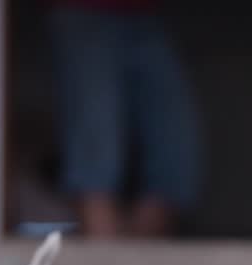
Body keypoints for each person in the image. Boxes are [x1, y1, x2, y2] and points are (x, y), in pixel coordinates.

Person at [49, 0, 201, 238]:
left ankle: (134, 249)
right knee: (95, 129)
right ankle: (102, 245)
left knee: (175, 143)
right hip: (83, 8)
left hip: (146, 14)